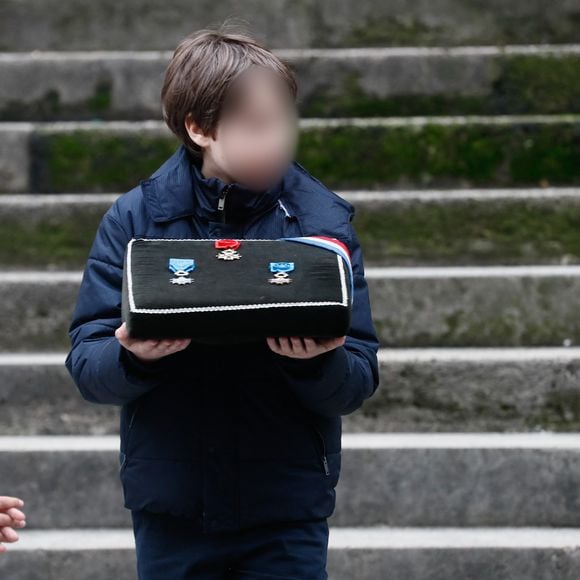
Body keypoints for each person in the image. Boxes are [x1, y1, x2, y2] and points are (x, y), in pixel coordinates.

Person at [65, 27, 380, 580]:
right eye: (258, 126)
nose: (279, 141)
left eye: (285, 121)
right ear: (199, 128)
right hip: (172, 507)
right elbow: (88, 366)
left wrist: (318, 361)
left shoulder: (321, 223)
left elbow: (357, 377)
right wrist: (133, 355)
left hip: (286, 508)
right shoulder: (136, 220)